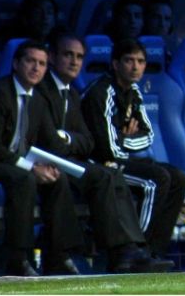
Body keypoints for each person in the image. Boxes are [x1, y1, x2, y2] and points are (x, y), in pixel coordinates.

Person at [36, 32, 172, 273]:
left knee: (168, 176)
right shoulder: (45, 91)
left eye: (79, 56)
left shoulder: (72, 93)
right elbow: (87, 145)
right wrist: (73, 140)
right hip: (56, 160)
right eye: (68, 55)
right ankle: (129, 250)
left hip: (77, 157)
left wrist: (70, 139)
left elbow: (89, 140)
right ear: (53, 58)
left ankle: (136, 251)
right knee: (114, 174)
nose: (75, 61)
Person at [81, 38, 185, 262]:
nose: (135, 66)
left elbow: (148, 136)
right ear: (115, 64)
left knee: (179, 178)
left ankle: (155, 250)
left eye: (140, 61)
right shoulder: (102, 92)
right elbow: (107, 150)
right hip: (98, 164)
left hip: (119, 158)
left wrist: (122, 138)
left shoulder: (134, 92)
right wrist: (125, 138)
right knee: (157, 179)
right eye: (129, 60)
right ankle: (136, 249)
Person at [0, 40, 84, 276]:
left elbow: (51, 141)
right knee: (24, 179)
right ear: (16, 63)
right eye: (30, 61)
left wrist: (55, 165)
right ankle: (19, 259)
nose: (36, 68)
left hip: (13, 162)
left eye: (41, 64)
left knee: (57, 179)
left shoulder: (38, 99)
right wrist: (30, 167)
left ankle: (58, 255)